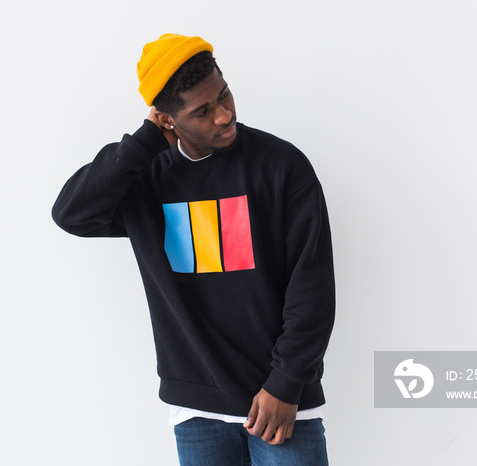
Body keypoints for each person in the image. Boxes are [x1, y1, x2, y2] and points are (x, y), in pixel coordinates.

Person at [52, 33, 336, 465]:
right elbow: (72, 214)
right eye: (202, 111)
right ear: (166, 120)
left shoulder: (281, 166)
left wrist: (287, 381)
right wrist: (145, 143)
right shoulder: (146, 179)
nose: (224, 116)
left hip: (281, 401)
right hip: (197, 407)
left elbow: (312, 286)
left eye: (224, 95)